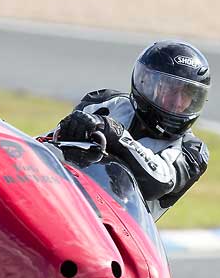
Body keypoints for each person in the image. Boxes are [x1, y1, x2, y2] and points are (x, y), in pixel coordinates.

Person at [54, 40, 211, 220]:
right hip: (67, 203)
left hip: (114, 231)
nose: (177, 103)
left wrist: (116, 135)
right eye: (171, 90)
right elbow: (47, 145)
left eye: (187, 95)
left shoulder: (192, 151)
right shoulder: (103, 103)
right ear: (147, 84)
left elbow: (158, 182)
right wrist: (69, 128)